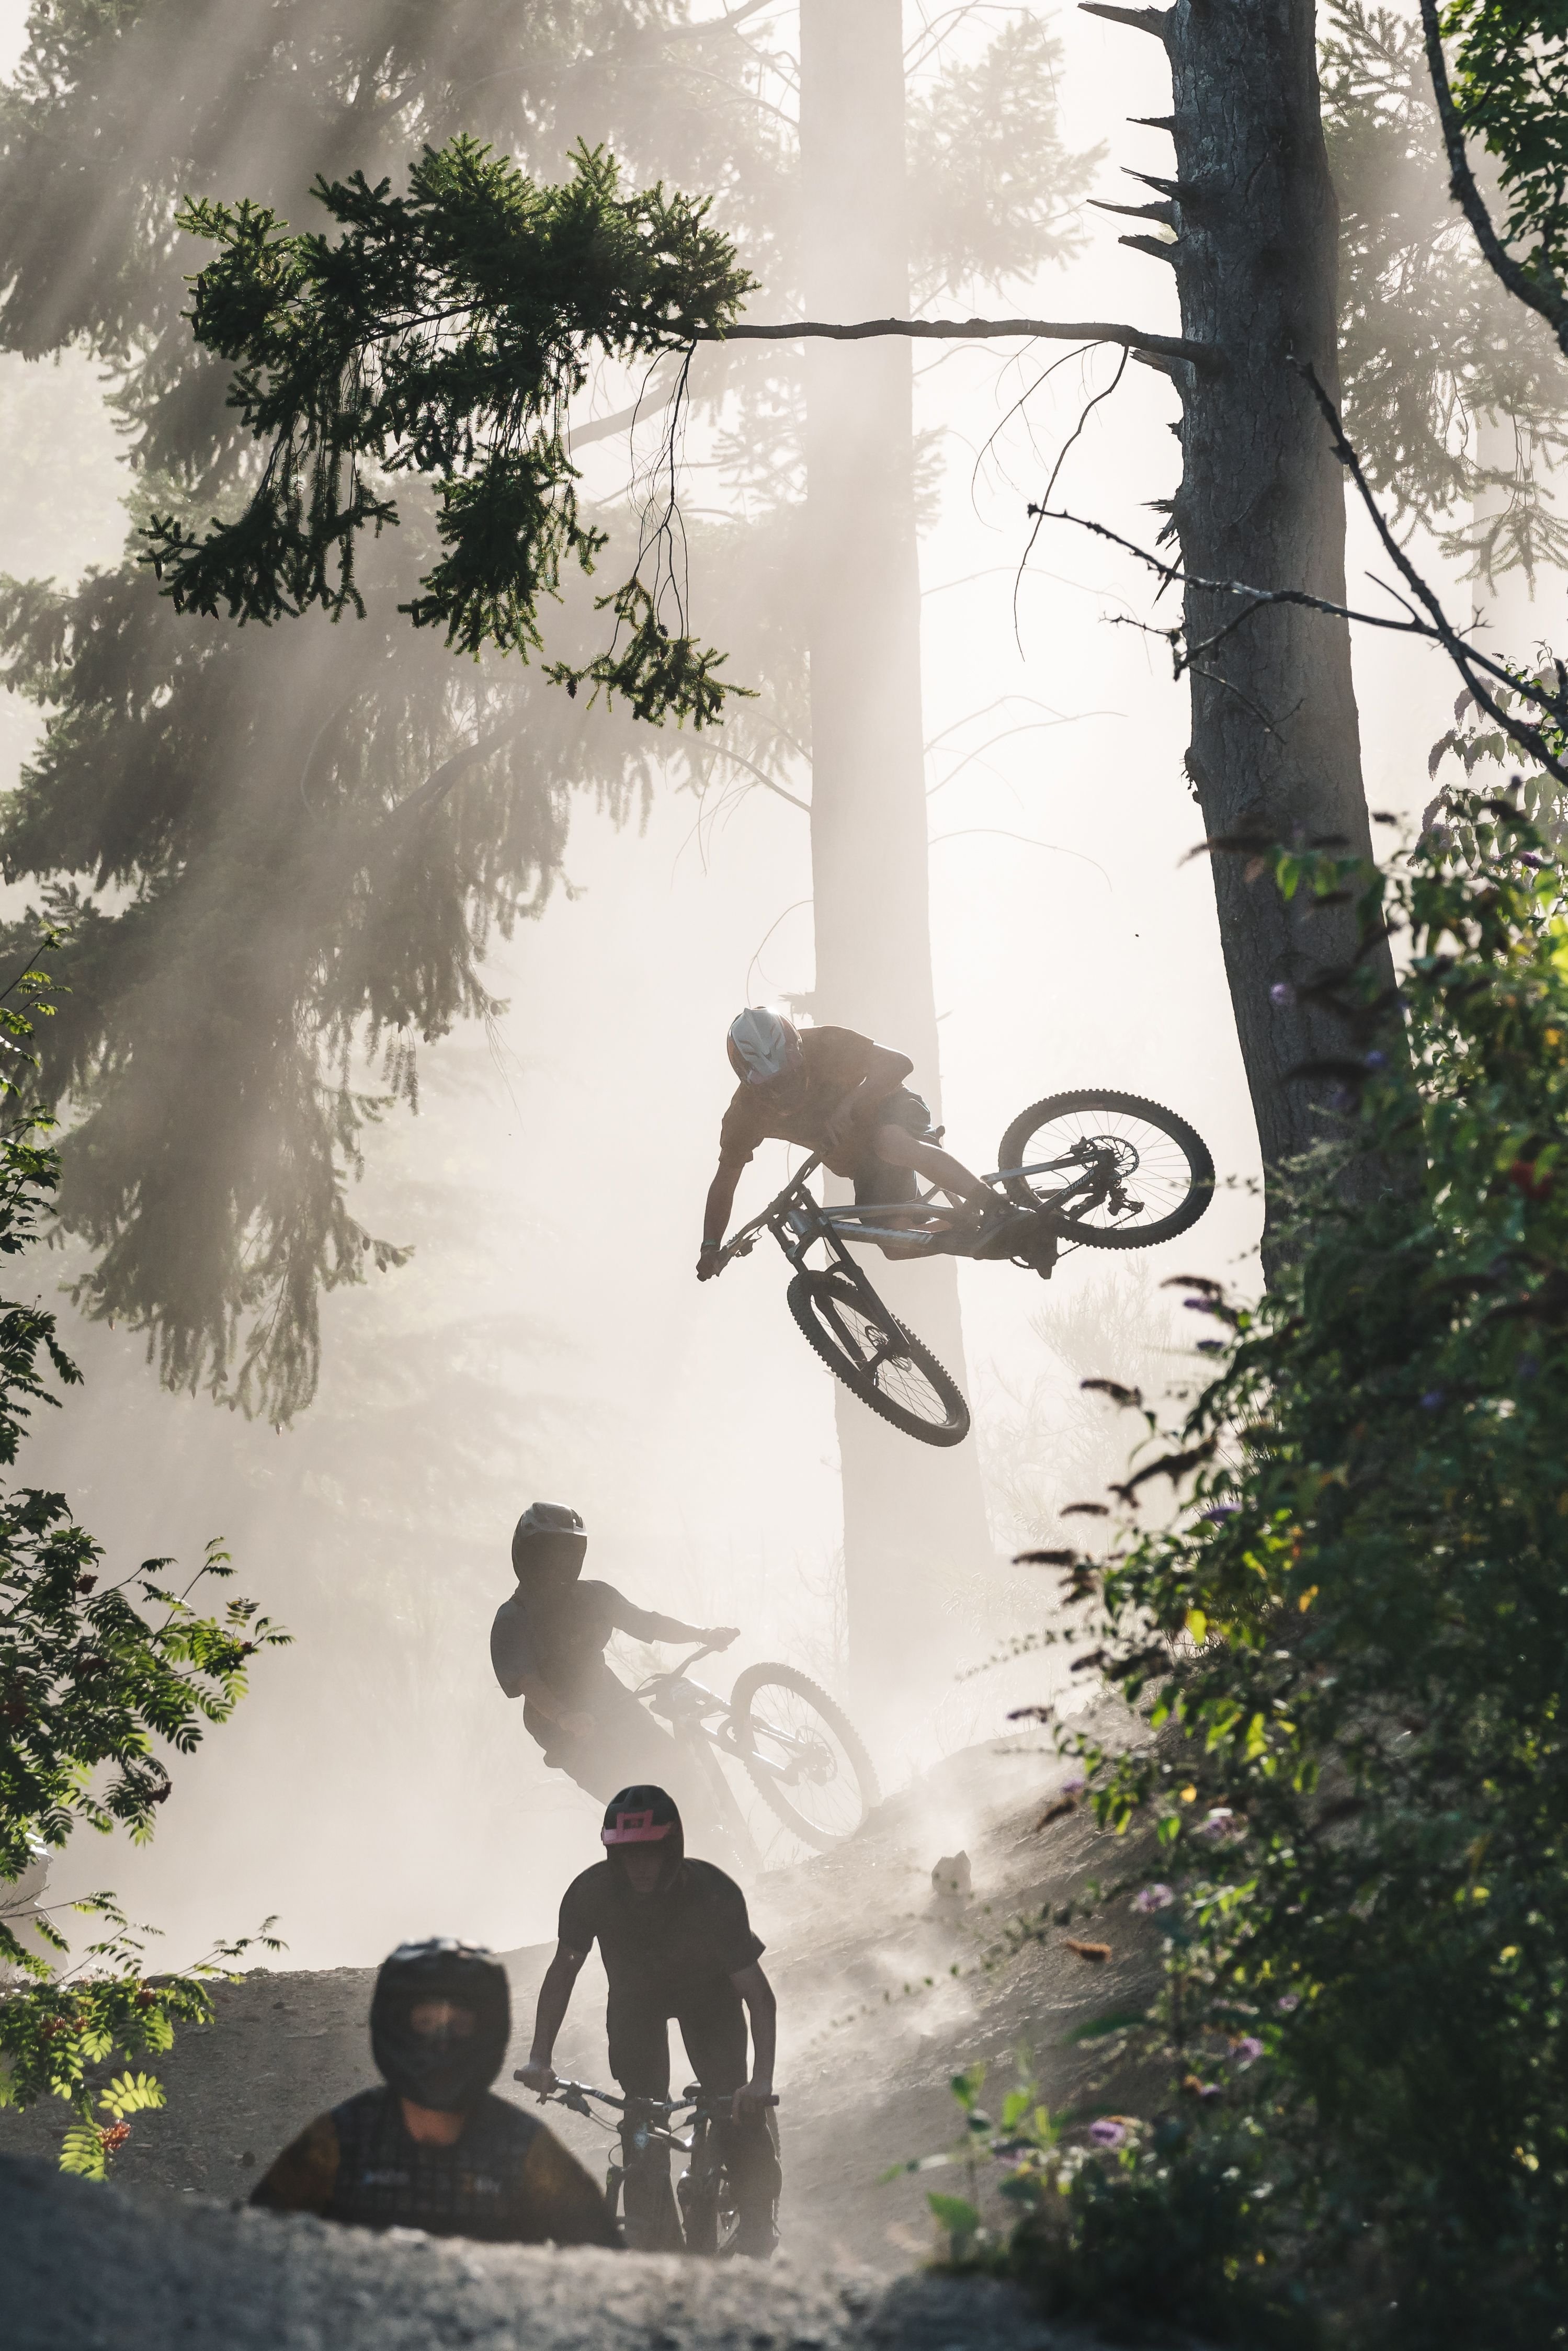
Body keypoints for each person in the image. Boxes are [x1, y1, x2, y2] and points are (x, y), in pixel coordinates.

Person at [519, 1785, 782, 2256]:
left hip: (710, 2001)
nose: (638, 1865)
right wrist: (540, 2057)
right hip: (635, 2004)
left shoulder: (714, 1894)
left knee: (735, 2108)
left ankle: (759, 2217)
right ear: (612, 1855)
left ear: (672, 1847)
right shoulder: (590, 1893)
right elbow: (562, 1974)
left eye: (651, 1852)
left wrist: (760, 2081)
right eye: (626, 1854)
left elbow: (759, 1997)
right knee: (640, 2122)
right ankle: (657, 2243)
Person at [249, 1937, 619, 2246]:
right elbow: (251, 2253)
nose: (441, 2044)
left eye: (459, 2025)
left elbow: (606, 2269)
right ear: (393, 2029)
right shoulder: (340, 2141)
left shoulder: (526, 2150)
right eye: (425, 2023)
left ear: (486, 2032)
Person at [490, 1503, 738, 1844]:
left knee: (679, 1768)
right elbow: (528, 1682)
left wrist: (703, 1634)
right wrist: (565, 1718)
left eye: (569, 1550)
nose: (561, 1561)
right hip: (561, 1730)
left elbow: (648, 1622)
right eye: (552, 1552)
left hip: (610, 1697)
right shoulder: (512, 1618)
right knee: (640, 1808)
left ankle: (723, 1849)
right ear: (531, 1554)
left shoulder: (593, 1595)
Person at [696, 1007, 1008, 1277]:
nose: (788, 1087)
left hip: (894, 1111)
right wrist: (710, 1244)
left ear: (799, 1050)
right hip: (863, 1163)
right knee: (893, 1244)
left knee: (889, 1142)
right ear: (749, 1081)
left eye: (792, 1072)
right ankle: (972, 1231)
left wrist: (851, 1105)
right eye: (774, 1084)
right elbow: (725, 1181)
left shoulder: (826, 1043)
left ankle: (995, 1205)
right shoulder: (745, 1114)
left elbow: (900, 1064)